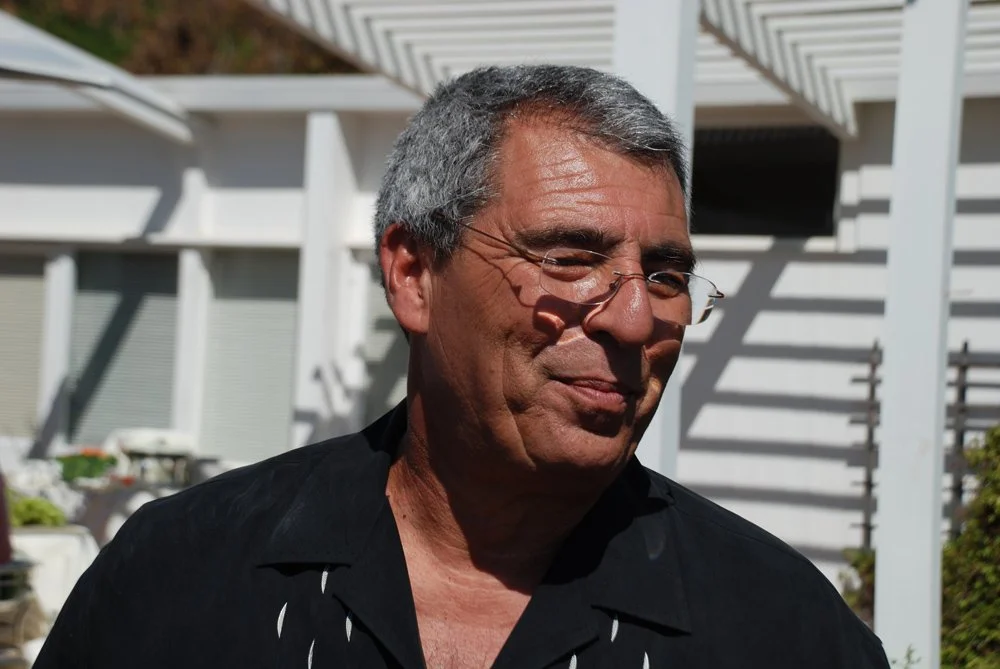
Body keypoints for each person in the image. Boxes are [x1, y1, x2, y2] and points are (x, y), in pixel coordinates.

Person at [36, 64, 889, 669]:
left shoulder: (783, 630)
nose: (636, 320)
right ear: (414, 275)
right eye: (569, 258)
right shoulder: (182, 577)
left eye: (665, 275)